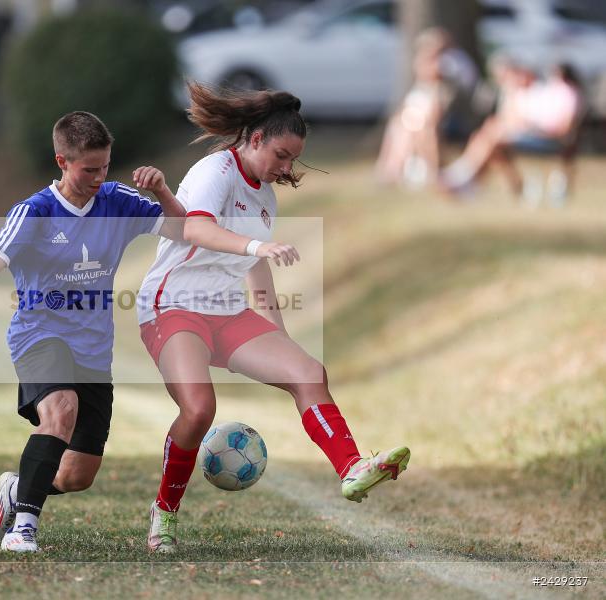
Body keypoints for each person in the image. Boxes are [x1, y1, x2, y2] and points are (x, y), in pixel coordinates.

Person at [137, 82, 410, 553]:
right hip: (172, 306)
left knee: (308, 373)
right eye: (281, 156)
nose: (286, 168)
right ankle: (164, 512)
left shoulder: (265, 197)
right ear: (257, 138)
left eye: (293, 160)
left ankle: (352, 469)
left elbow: (255, 268)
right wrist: (256, 245)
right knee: (199, 410)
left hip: (227, 313)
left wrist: (277, 336)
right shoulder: (216, 169)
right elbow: (196, 228)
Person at [0, 111, 185, 553]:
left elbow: (180, 229)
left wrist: (162, 191)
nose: (100, 177)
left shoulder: (117, 201)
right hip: (40, 334)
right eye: (89, 169)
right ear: (62, 161)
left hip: (93, 349)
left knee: (77, 476)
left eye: (105, 166)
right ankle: (22, 530)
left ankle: (15, 492)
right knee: (61, 410)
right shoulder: (36, 211)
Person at [441, 60, 582, 200]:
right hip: (535, 134)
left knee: (494, 138)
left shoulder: (567, 94)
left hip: (549, 139)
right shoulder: (549, 92)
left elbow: (563, 127)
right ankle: (467, 178)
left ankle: (465, 176)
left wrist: (533, 127)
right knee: (491, 134)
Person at [375, 28, 452, 188]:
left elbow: (436, 104)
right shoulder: (422, 71)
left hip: (426, 109)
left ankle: (419, 170)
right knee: (398, 128)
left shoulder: (441, 70)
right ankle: (391, 168)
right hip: (417, 105)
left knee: (416, 130)